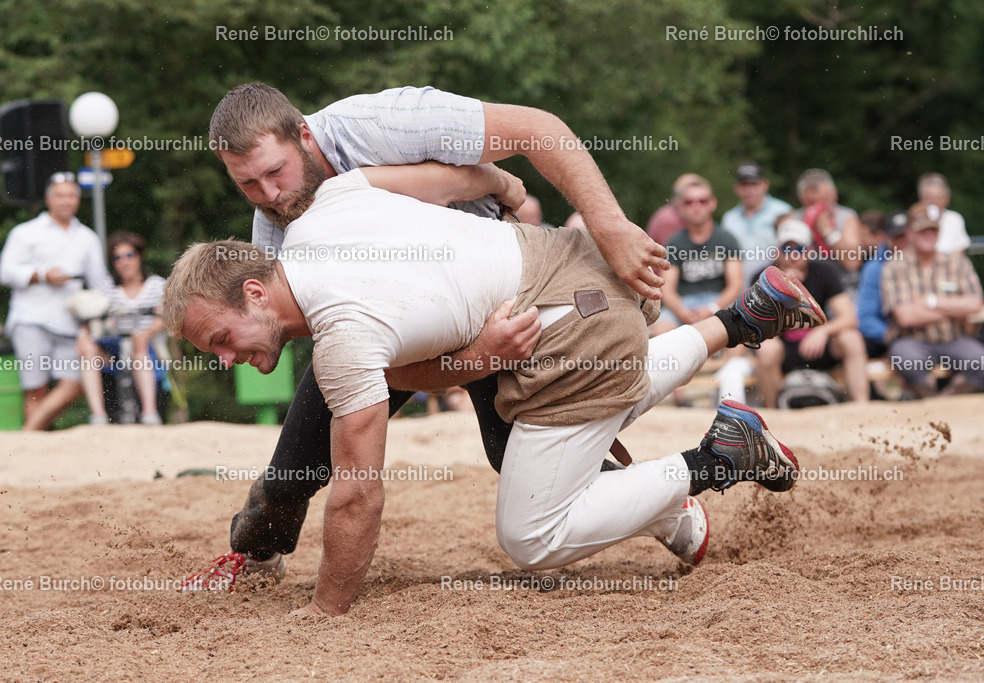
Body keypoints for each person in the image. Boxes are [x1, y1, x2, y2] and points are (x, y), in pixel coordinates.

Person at [164, 164, 827, 614]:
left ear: (254, 292)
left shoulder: (340, 335)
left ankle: (720, 456)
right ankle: (745, 317)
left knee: (531, 535)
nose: (224, 359)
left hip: (565, 326)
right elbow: (449, 177)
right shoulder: (325, 206)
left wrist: (325, 612)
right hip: (576, 273)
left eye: (220, 339)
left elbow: (357, 494)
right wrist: (506, 183)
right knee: (596, 394)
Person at [195, 82, 670, 586]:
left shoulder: (383, 125)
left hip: (498, 303)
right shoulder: (274, 233)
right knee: (292, 471)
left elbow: (537, 130)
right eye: (248, 184)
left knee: (516, 454)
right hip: (389, 330)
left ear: (305, 135)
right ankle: (253, 555)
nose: (269, 195)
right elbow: (347, 352)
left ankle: (667, 503)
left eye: (275, 171)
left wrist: (609, 227)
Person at [0, 172, 111, 430]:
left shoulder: (87, 238)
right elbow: (5, 272)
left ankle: (27, 435)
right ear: (48, 199)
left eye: (71, 195)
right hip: (30, 318)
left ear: (78, 199)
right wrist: (41, 275)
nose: (66, 201)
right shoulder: (25, 233)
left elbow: (100, 284)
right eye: (60, 195)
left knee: (74, 384)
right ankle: (36, 447)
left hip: (69, 324)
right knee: (35, 387)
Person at [753, 220, 870, 407]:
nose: (792, 256)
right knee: (767, 349)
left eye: (798, 249)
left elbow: (849, 317)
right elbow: (756, 323)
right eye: (786, 249)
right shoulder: (763, 276)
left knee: (852, 339)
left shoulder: (824, 272)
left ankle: (860, 407)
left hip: (819, 346)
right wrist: (784, 287)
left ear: (809, 250)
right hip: (784, 349)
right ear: (777, 251)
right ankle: (773, 412)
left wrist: (823, 331)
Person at [880, 202, 984, 397]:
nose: (929, 235)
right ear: (909, 233)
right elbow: (904, 317)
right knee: (907, 361)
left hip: (955, 339)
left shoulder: (958, 262)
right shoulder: (894, 267)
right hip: (912, 341)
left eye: (934, 230)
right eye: (922, 230)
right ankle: (929, 401)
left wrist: (931, 302)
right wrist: (955, 308)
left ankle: (944, 400)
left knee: (981, 361)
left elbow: (975, 303)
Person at [76, 232, 167, 425]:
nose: (124, 262)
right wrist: (83, 336)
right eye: (117, 258)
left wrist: (145, 334)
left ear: (139, 256)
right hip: (114, 350)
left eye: (129, 255)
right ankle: (98, 415)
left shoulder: (157, 285)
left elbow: (164, 319)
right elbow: (88, 318)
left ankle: (150, 413)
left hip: (146, 349)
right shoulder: (106, 288)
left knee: (138, 346)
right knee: (88, 352)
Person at [652, 176, 743, 336]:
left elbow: (735, 285)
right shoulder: (674, 243)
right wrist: (682, 312)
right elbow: (666, 288)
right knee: (661, 330)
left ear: (712, 203)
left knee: (740, 327)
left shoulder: (727, 238)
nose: (696, 206)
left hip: (719, 303)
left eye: (702, 201)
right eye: (689, 202)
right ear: (680, 207)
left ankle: (732, 362)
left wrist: (713, 309)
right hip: (684, 305)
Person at [720, 162, 792, 284]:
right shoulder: (728, 219)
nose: (749, 190)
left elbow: (794, 252)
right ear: (736, 187)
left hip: (775, 286)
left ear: (765, 184)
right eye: (744, 185)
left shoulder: (783, 211)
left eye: (754, 184)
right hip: (739, 290)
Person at [791, 168, 862, 280]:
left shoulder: (847, 217)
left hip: (843, 285)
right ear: (802, 199)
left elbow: (852, 263)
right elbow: (786, 262)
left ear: (834, 195)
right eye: (811, 203)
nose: (817, 209)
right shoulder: (794, 219)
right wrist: (804, 231)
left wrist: (829, 232)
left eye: (823, 201)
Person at [857, 211, 908, 359]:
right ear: (885, 238)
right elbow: (865, 318)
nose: (902, 242)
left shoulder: (928, 264)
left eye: (904, 236)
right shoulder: (874, 269)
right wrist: (893, 336)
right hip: (887, 336)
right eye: (896, 237)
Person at [916, 173, 970, 255]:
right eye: (928, 197)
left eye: (937, 198)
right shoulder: (914, 219)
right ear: (921, 199)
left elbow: (960, 251)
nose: (933, 201)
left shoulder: (955, 219)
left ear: (947, 199)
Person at [645, 173, 702, 246]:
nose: (696, 207)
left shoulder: (673, 215)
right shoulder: (668, 220)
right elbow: (674, 252)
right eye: (689, 201)